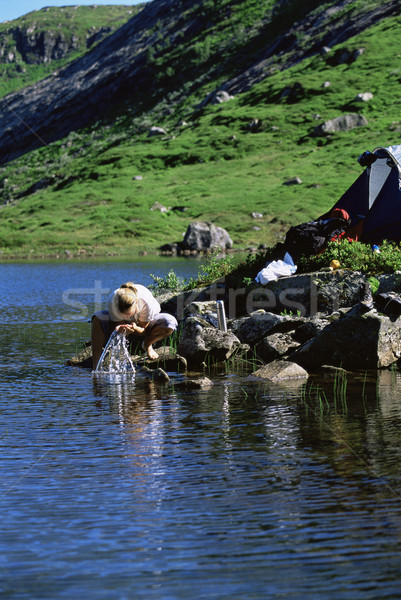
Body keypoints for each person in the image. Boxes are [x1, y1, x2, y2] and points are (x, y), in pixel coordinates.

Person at [91, 281, 178, 369]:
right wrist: (119, 328)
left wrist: (135, 329)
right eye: (122, 315)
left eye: (129, 314)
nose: (125, 317)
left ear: (136, 303)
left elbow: (144, 330)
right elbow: (118, 326)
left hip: (146, 324)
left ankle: (147, 344)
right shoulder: (112, 301)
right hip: (131, 326)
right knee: (97, 317)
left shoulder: (145, 301)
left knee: (170, 322)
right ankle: (96, 365)